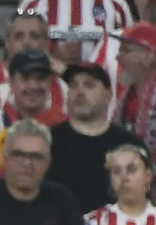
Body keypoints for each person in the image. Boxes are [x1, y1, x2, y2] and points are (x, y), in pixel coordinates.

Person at [0, 48, 69, 196]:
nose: (33, 86)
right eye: (25, 78)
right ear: (11, 82)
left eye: (40, 79)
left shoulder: (65, 123)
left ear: (50, 82)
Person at [50, 64, 145, 214]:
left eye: (89, 85)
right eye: (73, 86)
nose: (80, 92)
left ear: (108, 95)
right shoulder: (49, 141)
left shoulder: (130, 145)